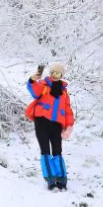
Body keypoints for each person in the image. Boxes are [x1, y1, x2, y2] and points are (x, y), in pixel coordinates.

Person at [25, 62, 74, 190]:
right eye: (53, 72)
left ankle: (61, 179)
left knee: (57, 150)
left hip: (56, 124)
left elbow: (68, 110)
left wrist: (69, 126)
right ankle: (50, 179)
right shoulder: (44, 85)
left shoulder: (64, 92)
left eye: (58, 73)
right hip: (41, 121)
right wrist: (32, 80)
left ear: (61, 75)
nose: (55, 75)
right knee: (45, 149)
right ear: (50, 73)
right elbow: (35, 92)